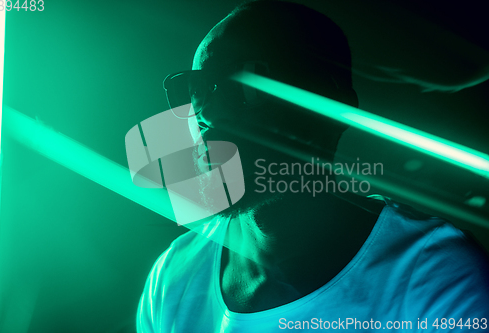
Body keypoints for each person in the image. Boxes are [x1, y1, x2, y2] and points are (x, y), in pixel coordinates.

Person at [137, 1, 489, 331]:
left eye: (245, 82)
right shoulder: (171, 277)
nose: (209, 112)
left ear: (332, 107)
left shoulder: (436, 274)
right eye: (198, 90)